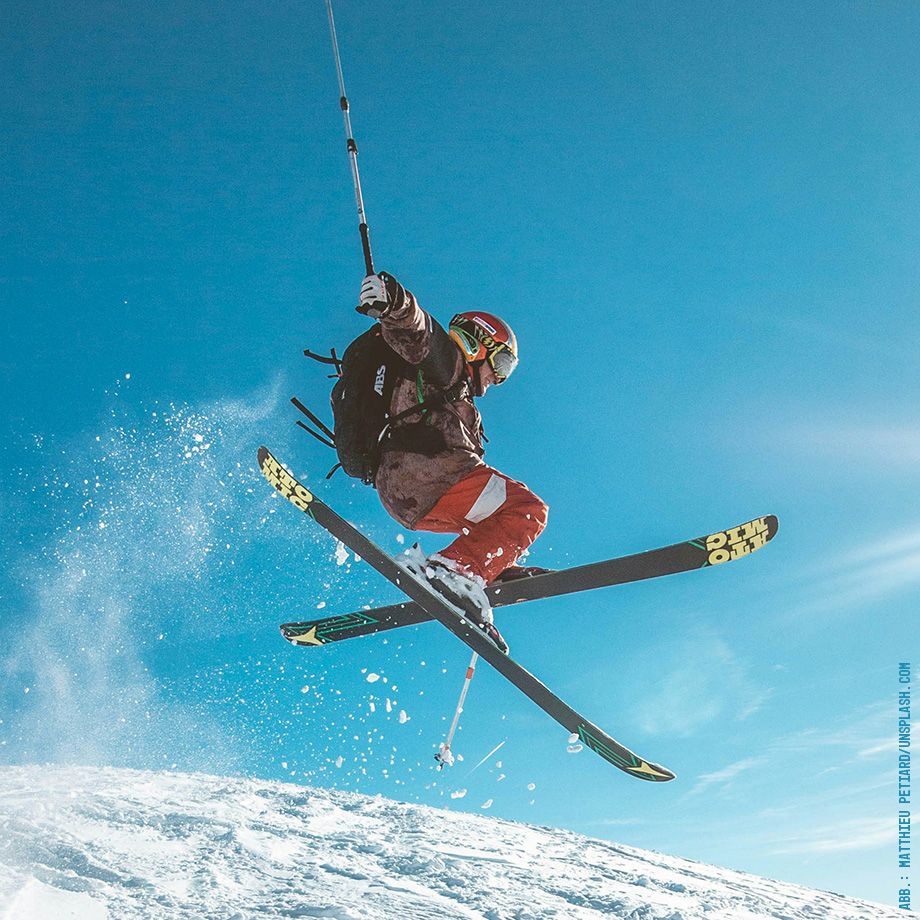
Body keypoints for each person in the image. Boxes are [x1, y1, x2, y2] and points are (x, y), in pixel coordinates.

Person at [357, 272, 548, 651]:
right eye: (503, 363)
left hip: (408, 494)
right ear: (478, 343)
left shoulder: (463, 402)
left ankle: (484, 566)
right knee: (528, 509)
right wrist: (394, 300)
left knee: (495, 516)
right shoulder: (447, 363)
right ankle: (455, 569)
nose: (500, 378)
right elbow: (416, 330)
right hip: (429, 475)